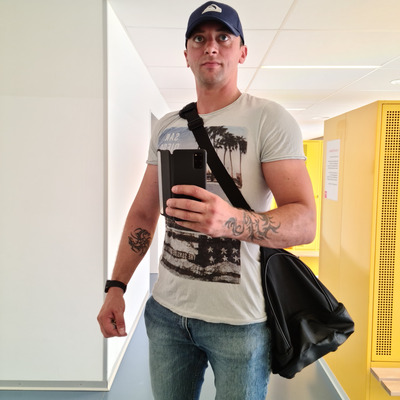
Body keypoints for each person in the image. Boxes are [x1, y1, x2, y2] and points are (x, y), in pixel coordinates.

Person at [97, 2, 316, 399]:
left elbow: (304, 222)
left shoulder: (269, 119)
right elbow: (144, 214)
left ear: (242, 52)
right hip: (167, 315)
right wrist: (116, 286)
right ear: (186, 55)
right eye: (199, 38)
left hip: (240, 323)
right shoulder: (168, 126)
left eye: (223, 37)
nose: (211, 46)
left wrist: (231, 221)